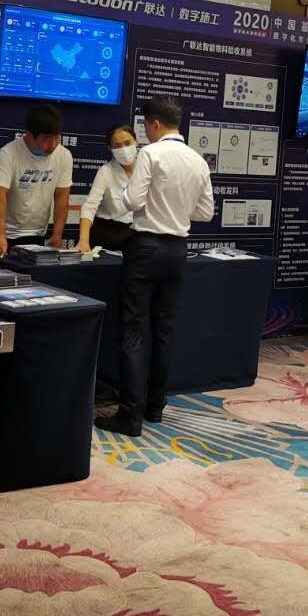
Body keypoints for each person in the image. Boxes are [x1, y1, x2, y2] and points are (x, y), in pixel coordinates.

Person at [94, 95, 214, 437]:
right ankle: (155, 406)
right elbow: (205, 212)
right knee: (164, 329)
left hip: (146, 247)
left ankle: (129, 415)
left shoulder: (151, 154)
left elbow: (132, 201)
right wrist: (176, 207)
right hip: (177, 249)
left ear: (155, 124)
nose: (145, 133)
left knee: (134, 329)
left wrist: (148, 202)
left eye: (146, 126)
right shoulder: (197, 160)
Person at [0, 103, 73, 259]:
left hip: (37, 234)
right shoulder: (8, 153)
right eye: (47, 139)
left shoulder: (64, 155)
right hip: (6, 234)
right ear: (29, 134)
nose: (52, 145)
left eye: (57, 138)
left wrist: (57, 235)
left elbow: (62, 197)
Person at [78, 124, 139, 253]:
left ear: (136, 141)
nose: (124, 149)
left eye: (128, 143)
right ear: (110, 149)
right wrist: (83, 240)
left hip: (137, 233)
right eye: (117, 146)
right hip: (108, 233)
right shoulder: (105, 171)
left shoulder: (147, 168)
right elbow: (90, 206)